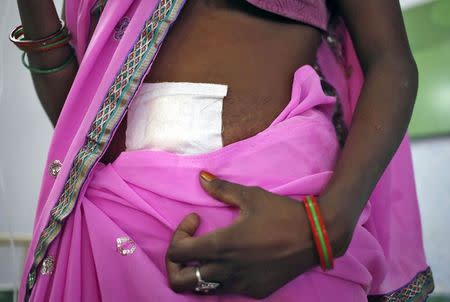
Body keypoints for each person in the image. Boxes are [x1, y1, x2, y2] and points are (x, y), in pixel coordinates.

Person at [12, 0, 434, 301]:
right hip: (114, 234)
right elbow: (80, 125)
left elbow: (389, 61)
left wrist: (325, 229)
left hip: (280, 232)